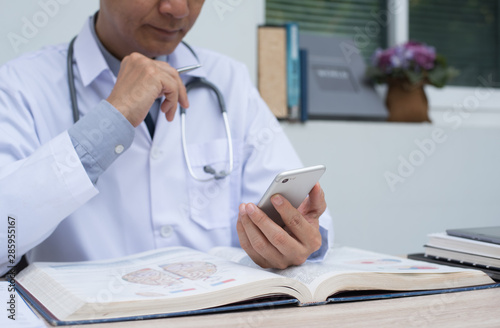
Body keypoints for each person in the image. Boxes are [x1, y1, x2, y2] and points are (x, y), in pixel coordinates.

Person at [0, 0, 333, 275]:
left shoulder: (228, 79)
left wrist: (294, 239)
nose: (177, 9)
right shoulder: (21, 86)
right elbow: (5, 235)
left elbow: (297, 210)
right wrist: (110, 120)